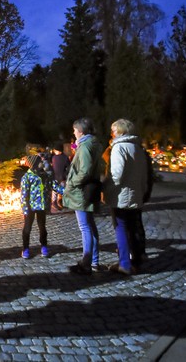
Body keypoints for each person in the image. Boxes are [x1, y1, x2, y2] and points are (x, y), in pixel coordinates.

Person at [105, 119, 150, 275]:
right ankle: (135, 261)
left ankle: (124, 263)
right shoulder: (138, 148)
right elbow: (145, 175)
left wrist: (106, 188)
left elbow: (116, 175)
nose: (111, 133)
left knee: (121, 228)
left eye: (113, 130)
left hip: (121, 196)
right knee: (132, 228)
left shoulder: (119, 148)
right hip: (135, 195)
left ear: (121, 131)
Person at [63, 117, 106, 275]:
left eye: (74, 130)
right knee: (90, 226)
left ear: (80, 131)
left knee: (85, 227)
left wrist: (73, 182)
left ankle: (86, 263)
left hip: (82, 191)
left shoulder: (85, 147)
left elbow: (85, 170)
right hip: (89, 188)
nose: (73, 132)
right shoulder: (93, 144)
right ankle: (93, 261)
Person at [20, 154, 49, 259]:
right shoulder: (27, 177)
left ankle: (44, 246)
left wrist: (66, 191)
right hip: (30, 207)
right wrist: (25, 208)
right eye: (39, 162)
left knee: (42, 228)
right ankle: (25, 248)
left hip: (41, 205)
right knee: (27, 228)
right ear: (34, 164)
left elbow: (53, 184)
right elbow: (24, 194)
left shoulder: (44, 175)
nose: (41, 163)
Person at [50, 147, 69, 212]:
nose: (55, 151)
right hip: (60, 177)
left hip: (58, 177)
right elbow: (68, 167)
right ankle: (58, 202)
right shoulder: (63, 157)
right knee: (60, 190)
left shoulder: (55, 157)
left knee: (57, 190)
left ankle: (58, 202)